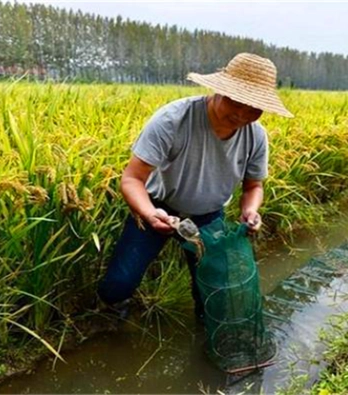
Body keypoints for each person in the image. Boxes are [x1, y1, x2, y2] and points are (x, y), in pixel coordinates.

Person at [97, 53, 293, 319]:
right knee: (118, 284)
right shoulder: (173, 120)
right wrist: (149, 214)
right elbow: (132, 179)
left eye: (253, 107)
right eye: (236, 101)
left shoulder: (256, 136)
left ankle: (204, 326)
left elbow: (253, 186)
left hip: (208, 217)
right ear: (219, 90)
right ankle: (113, 319)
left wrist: (250, 211)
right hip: (158, 207)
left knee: (212, 291)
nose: (242, 114)